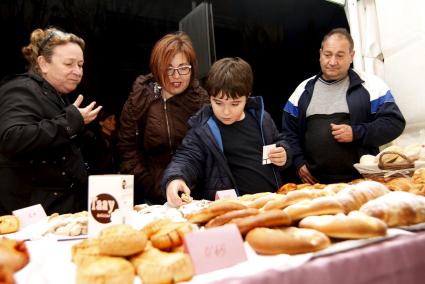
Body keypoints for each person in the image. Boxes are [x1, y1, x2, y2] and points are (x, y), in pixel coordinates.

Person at [162, 57, 291, 207]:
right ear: (209, 97)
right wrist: (175, 179)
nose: (226, 111)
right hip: (233, 211)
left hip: (274, 203)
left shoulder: (261, 118)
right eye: (218, 102)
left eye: (235, 103)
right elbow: (186, 158)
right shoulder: (203, 128)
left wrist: (284, 153)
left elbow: (280, 141)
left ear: (247, 96)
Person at [282, 28, 405, 185]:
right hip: (316, 185)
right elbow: (288, 132)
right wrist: (298, 162)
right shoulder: (302, 91)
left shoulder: (372, 86)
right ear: (320, 54)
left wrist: (356, 133)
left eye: (340, 55)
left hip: (363, 182)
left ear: (351, 56)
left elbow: (394, 123)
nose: (332, 62)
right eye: (327, 55)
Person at [0, 27, 102, 215]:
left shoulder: (56, 95)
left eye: (80, 65)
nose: (77, 71)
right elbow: (11, 137)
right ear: (43, 63)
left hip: (57, 210)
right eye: (69, 63)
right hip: (31, 218)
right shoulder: (21, 89)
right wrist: (71, 122)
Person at [118, 31, 209, 205]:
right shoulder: (139, 100)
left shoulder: (201, 101)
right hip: (152, 197)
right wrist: (153, 186)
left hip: (195, 194)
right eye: (169, 68)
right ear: (157, 68)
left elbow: (207, 150)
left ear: (192, 68)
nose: (176, 76)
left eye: (183, 68)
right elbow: (127, 150)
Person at [82, 109, 119, 175]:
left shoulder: (117, 139)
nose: (114, 122)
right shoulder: (94, 140)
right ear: (101, 122)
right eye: (110, 119)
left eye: (114, 119)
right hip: (100, 178)